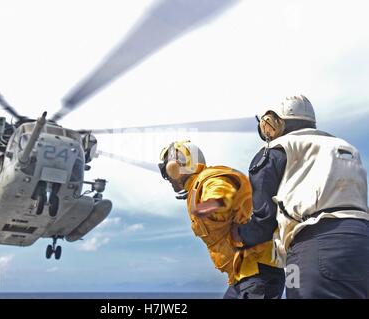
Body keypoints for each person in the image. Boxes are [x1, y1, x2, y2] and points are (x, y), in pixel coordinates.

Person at [233, 95, 369, 298]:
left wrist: (238, 235)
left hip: (313, 243)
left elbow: (262, 219)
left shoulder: (276, 149)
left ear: (272, 121)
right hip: (362, 241)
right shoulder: (346, 148)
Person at [158, 141, 285, 299]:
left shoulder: (208, 180)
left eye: (166, 170)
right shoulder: (198, 187)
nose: (167, 177)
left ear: (178, 165)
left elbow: (221, 195)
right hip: (243, 275)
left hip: (257, 271)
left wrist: (208, 206)